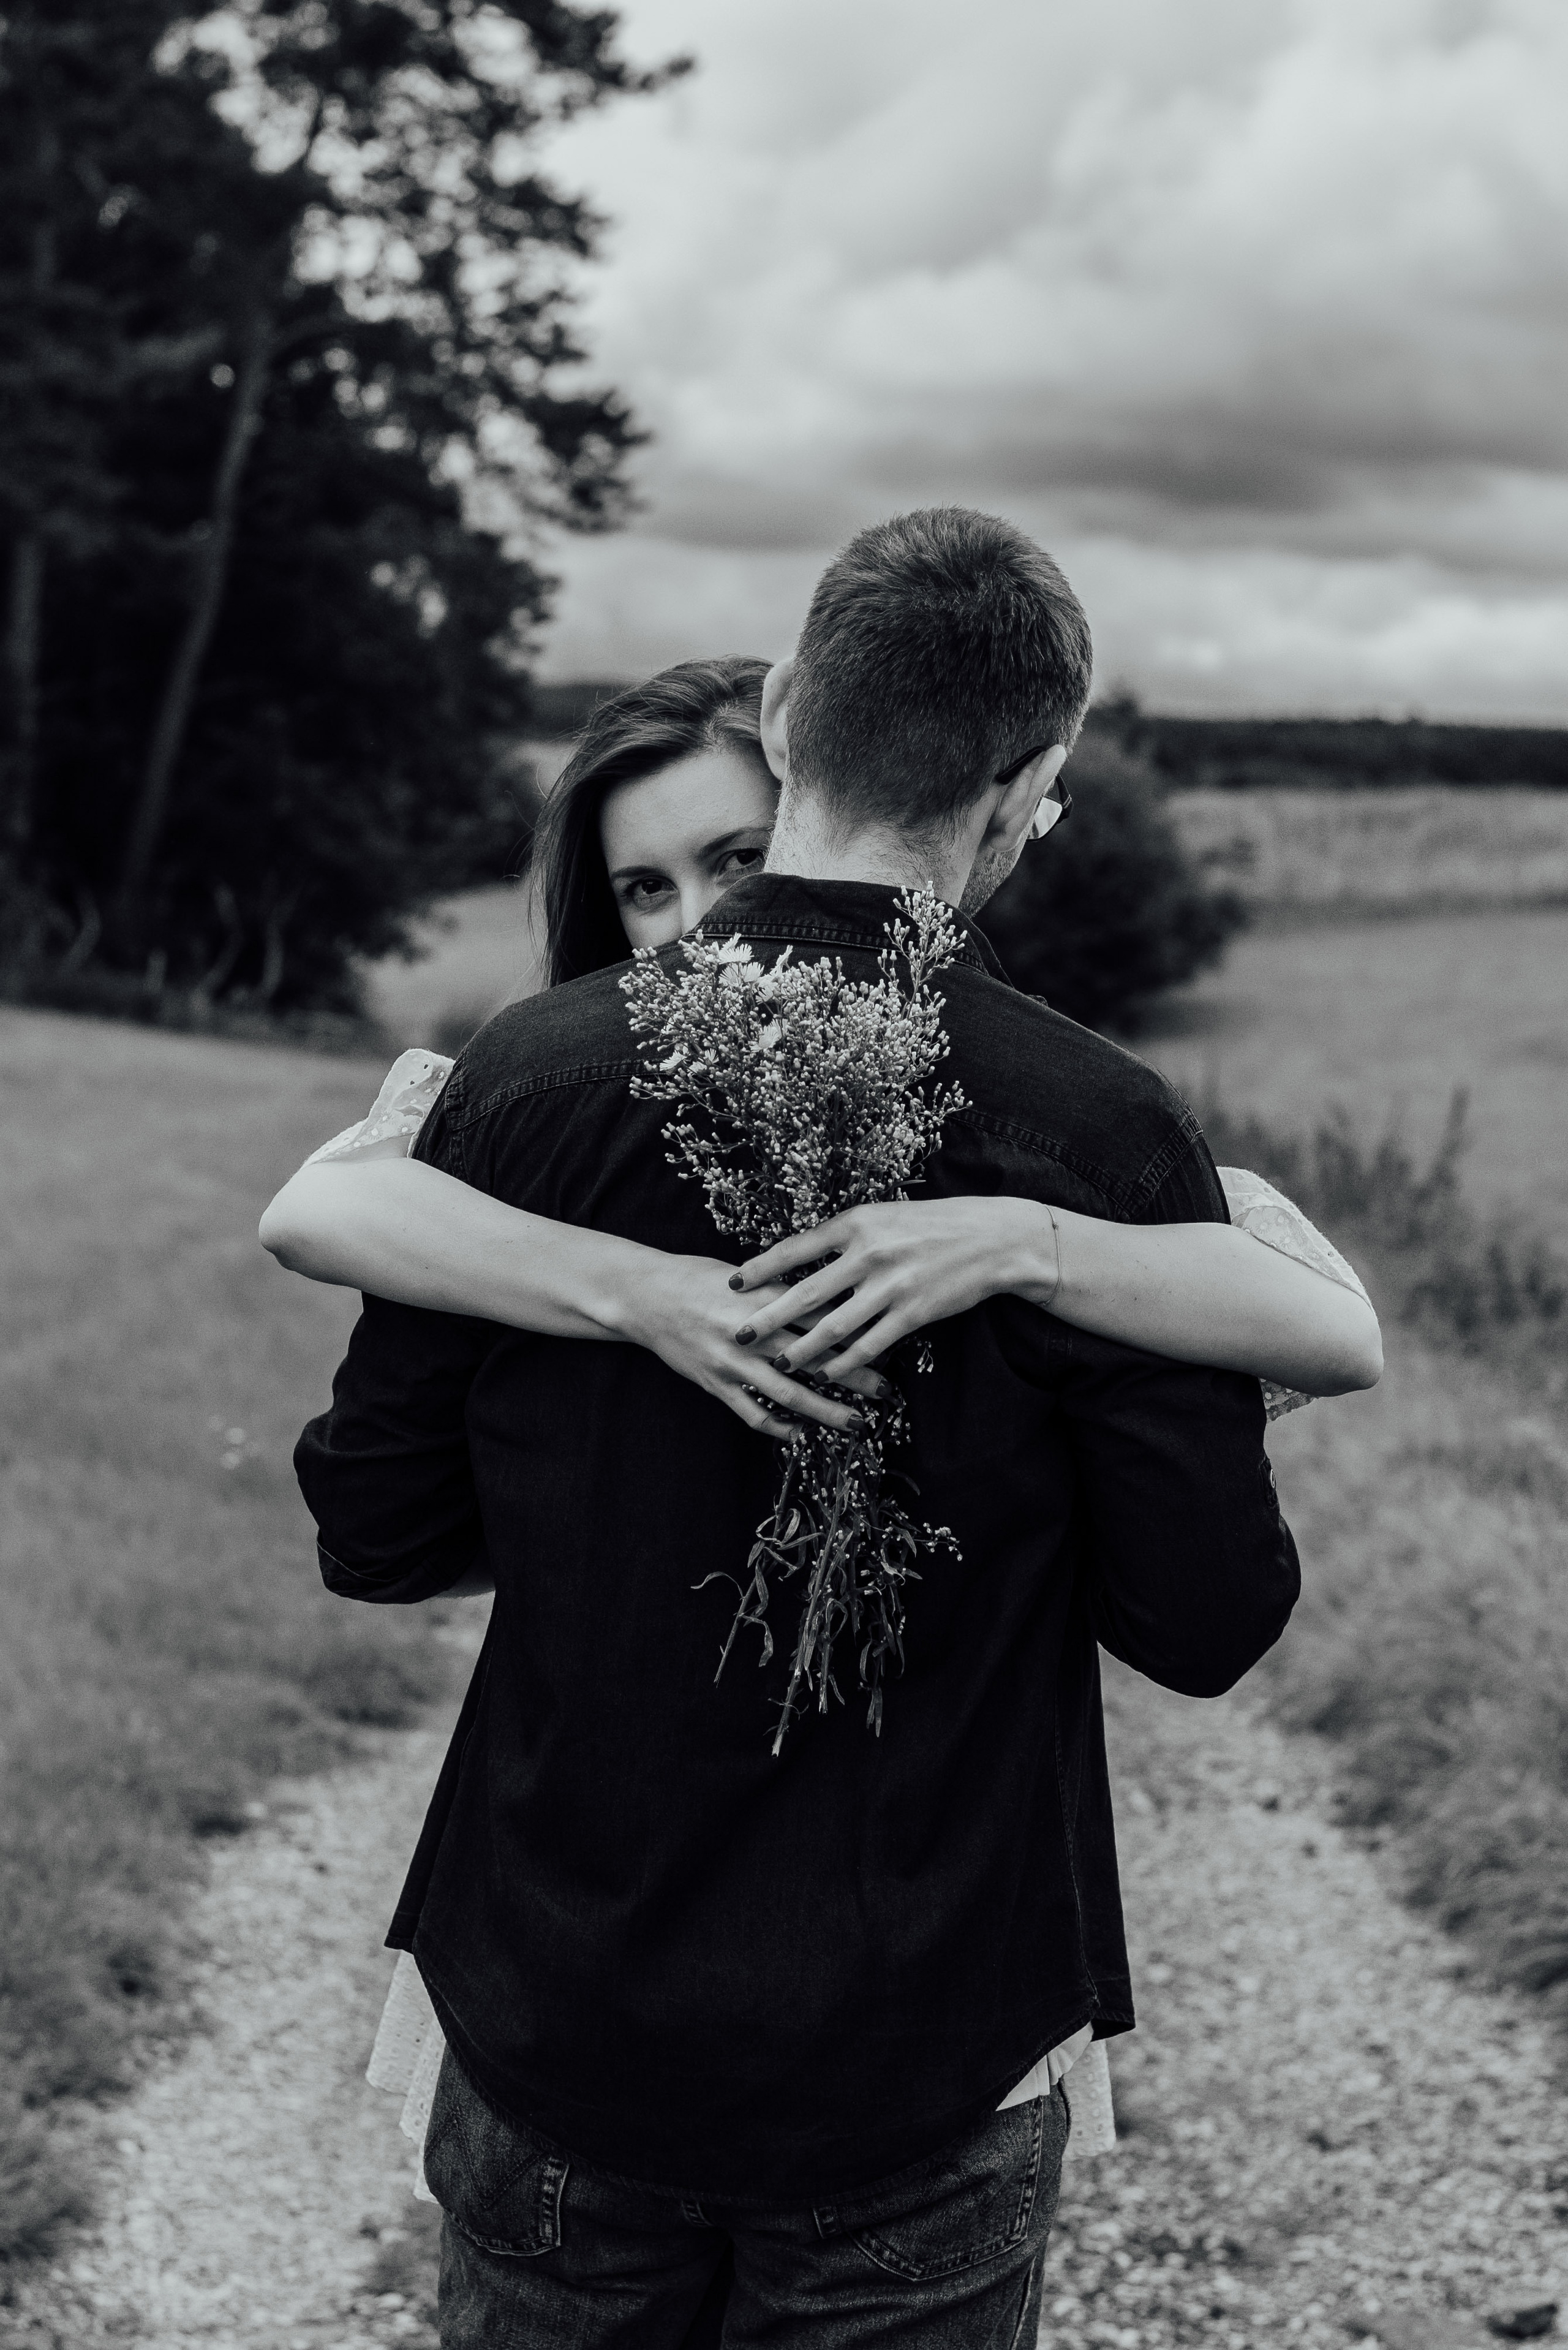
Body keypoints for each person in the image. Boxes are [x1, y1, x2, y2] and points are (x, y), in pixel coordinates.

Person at [290, 509, 1312, 2347]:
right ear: (1030, 791)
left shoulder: (523, 1078)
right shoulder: (1100, 1130)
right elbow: (1204, 1618)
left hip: (563, 2020)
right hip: (921, 2059)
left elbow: (377, 1528)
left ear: (784, 715)